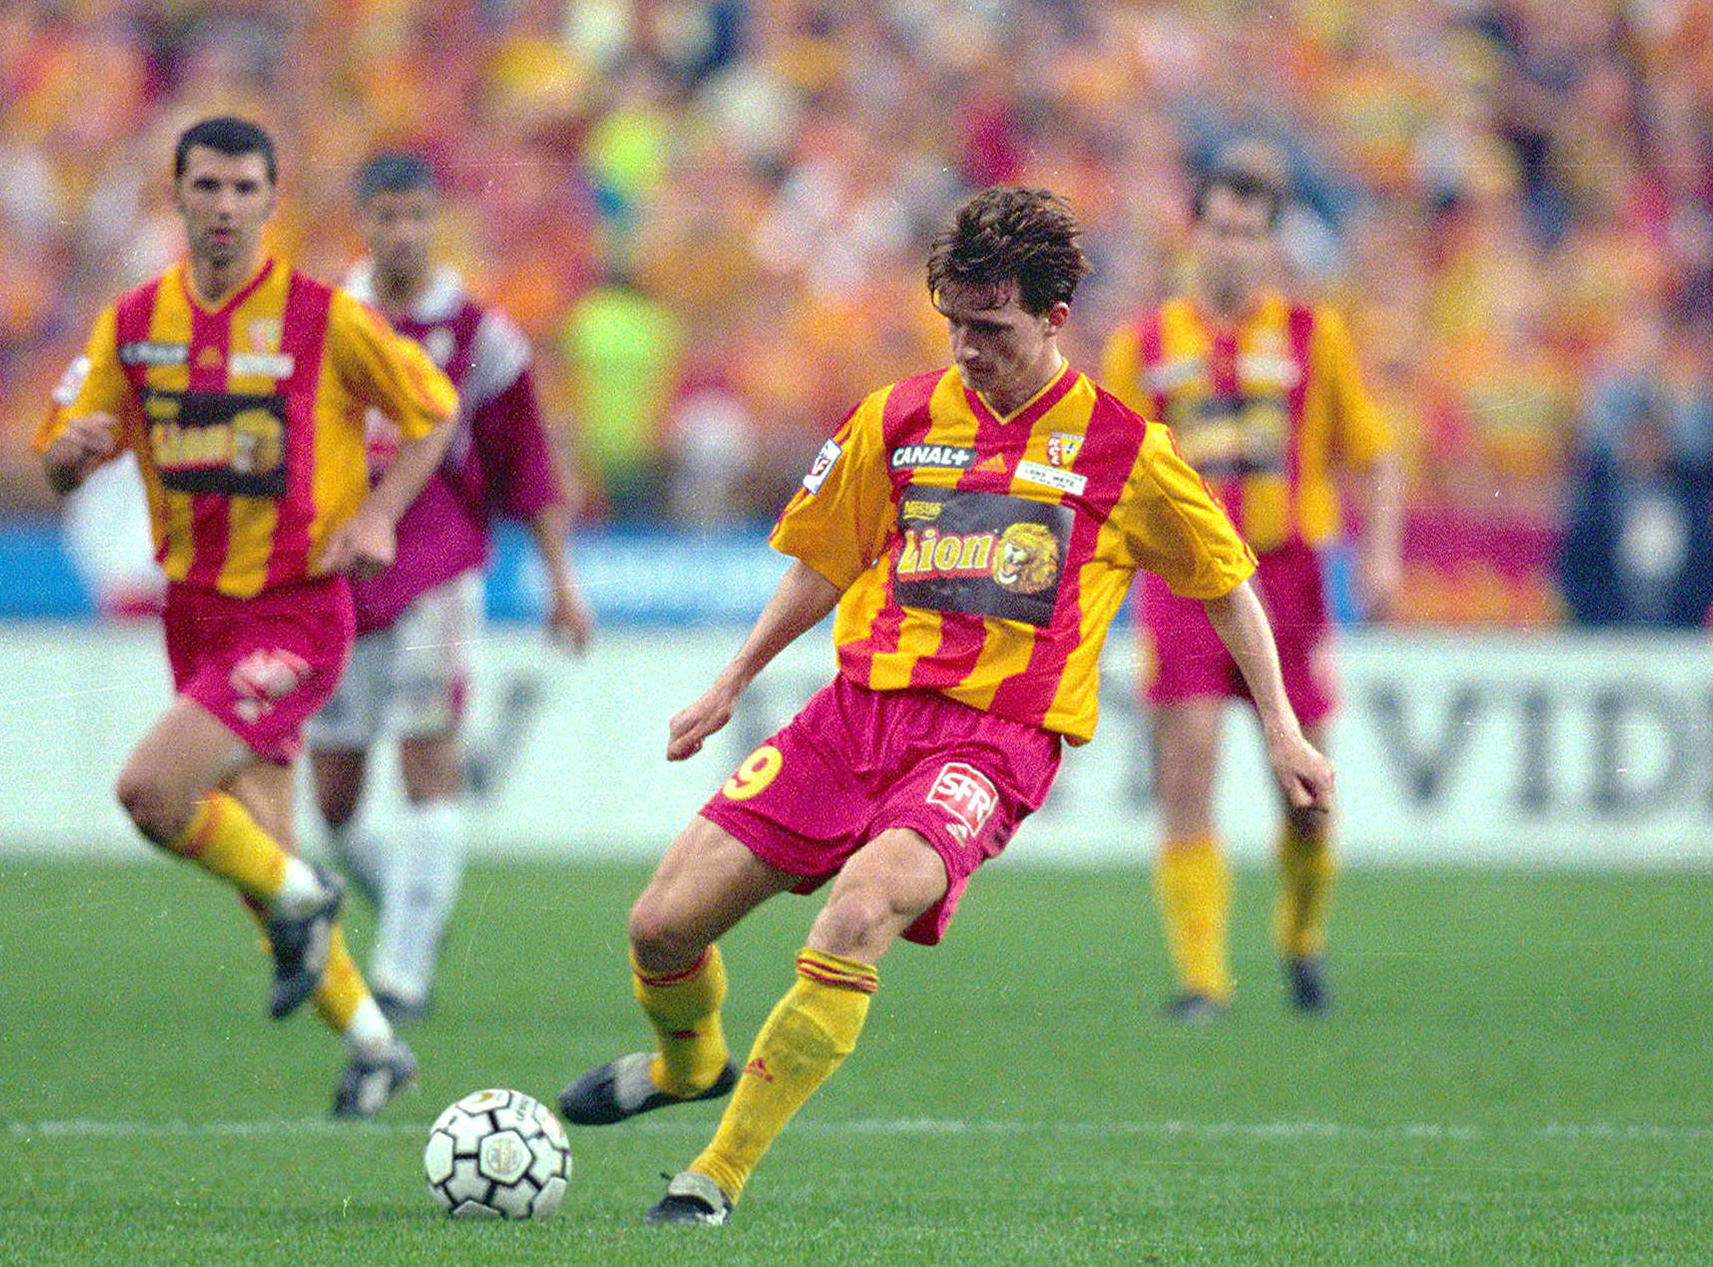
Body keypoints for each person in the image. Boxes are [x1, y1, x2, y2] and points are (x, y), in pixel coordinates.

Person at [557, 187, 1336, 1227]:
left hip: (993, 742)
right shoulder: (899, 417)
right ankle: (686, 1062)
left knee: (859, 911)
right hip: (855, 716)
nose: (967, 348)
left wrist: (1280, 726)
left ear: (1054, 318)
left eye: (992, 328)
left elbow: (1227, 581)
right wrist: (732, 680)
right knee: (658, 926)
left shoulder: (1122, 449)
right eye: (955, 324)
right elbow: (824, 560)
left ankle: (714, 1175)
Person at [35, 116, 459, 1118]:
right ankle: (374, 1045)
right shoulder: (135, 323)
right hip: (194, 614)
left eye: (242, 189)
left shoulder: (325, 318)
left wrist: (379, 513)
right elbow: (62, 448)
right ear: (178, 194)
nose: (224, 206)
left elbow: (434, 408)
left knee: (152, 791)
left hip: (295, 611)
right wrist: (67, 455)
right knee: (257, 856)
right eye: (207, 187)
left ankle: (309, 896)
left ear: (272, 200)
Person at [1100, 161, 1403, 1020]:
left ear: (1271, 245)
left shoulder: (1313, 335)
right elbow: (1104, 475)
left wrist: (1380, 558)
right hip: (1184, 580)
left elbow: (1373, 454)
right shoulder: (1142, 345)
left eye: (1249, 232)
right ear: (1193, 235)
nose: (1232, 247)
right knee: (1187, 761)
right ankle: (1203, 978)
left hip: (1288, 576)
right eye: (1220, 230)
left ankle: (1302, 936)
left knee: (1302, 786)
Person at [305, 152, 593, 1020]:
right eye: (386, 216)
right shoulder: (323, 321)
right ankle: (413, 910)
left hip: (437, 567)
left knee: (426, 759)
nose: (402, 233)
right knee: (334, 800)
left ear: (437, 221)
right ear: (362, 221)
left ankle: (402, 975)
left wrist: (560, 579)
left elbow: (526, 462)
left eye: (416, 216)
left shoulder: (481, 335)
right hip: (338, 575)